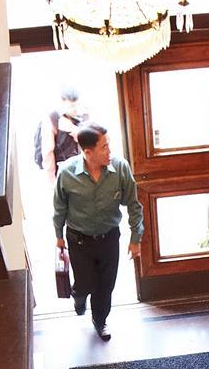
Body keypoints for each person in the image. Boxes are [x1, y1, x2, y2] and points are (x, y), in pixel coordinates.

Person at [53, 124, 142, 341]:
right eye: (104, 147)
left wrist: (135, 238)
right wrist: (59, 236)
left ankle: (100, 321)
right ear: (88, 152)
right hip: (79, 240)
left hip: (108, 238)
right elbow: (59, 207)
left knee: (105, 286)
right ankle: (79, 295)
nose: (110, 151)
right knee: (85, 283)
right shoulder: (66, 173)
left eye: (109, 145)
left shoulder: (120, 168)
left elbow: (133, 205)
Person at [39, 88, 87, 188]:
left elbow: (92, 143)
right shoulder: (52, 119)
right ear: (62, 102)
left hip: (83, 169)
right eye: (72, 106)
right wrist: (52, 181)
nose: (76, 109)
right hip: (62, 172)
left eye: (78, 104)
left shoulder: (84, 114)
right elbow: (48, 152)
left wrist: (74, 130)